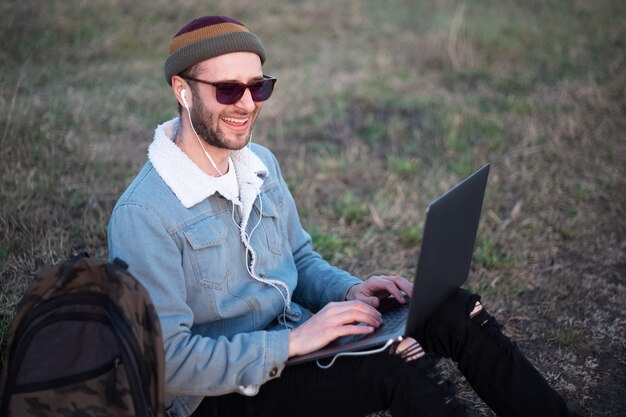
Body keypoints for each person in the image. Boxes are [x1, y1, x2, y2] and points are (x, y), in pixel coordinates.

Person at [108, 15, 579, 417]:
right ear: (182, 91)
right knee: (396, 367)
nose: (248, 105)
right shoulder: (144, 214)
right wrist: (295, 342)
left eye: (259, 87)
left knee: (452, 310)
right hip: (219, 396)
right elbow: (168, 363)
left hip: (295, 343)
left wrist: (350, 290)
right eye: (228, 89)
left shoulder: (260, 164)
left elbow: (300, 259)